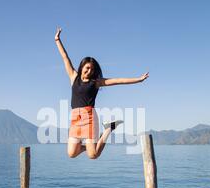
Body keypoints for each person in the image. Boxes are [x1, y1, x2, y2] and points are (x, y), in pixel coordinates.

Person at [55, 27, 149, 159]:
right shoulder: (73, 77)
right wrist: (57, 40)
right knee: (71, 153)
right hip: (75, 118)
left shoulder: (96, 82)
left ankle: (108, 129)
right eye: (87, 68)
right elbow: (65, 58)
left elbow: (118, 80)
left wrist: (138, 79)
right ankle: (95, 142)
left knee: (93, 155)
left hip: (89, 117)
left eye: (92, 69)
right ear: (82, 67)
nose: (89, 71)